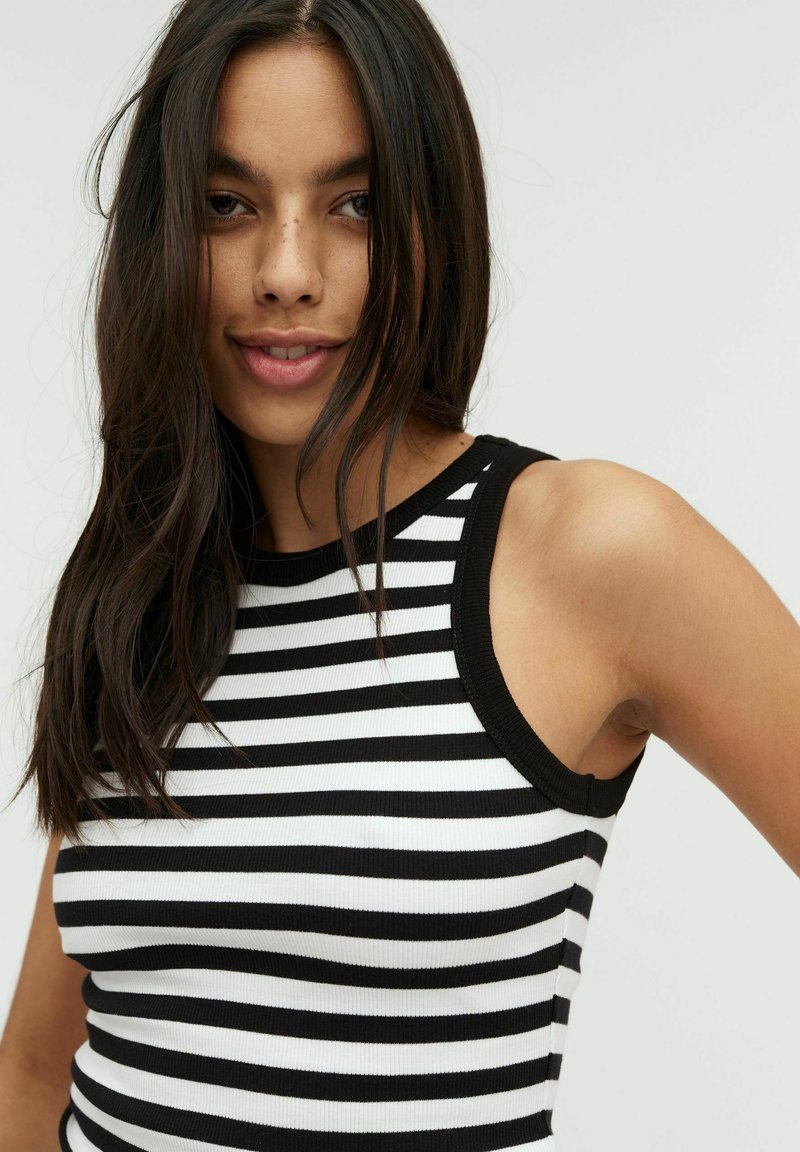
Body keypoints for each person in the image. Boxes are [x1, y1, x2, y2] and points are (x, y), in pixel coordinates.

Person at [1, 1, 798, 1149]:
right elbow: (35, 1069)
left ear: (435, 225)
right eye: (227, 205)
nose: (286, 272)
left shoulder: (586, 551)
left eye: (355, 204)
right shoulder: (141, 589)